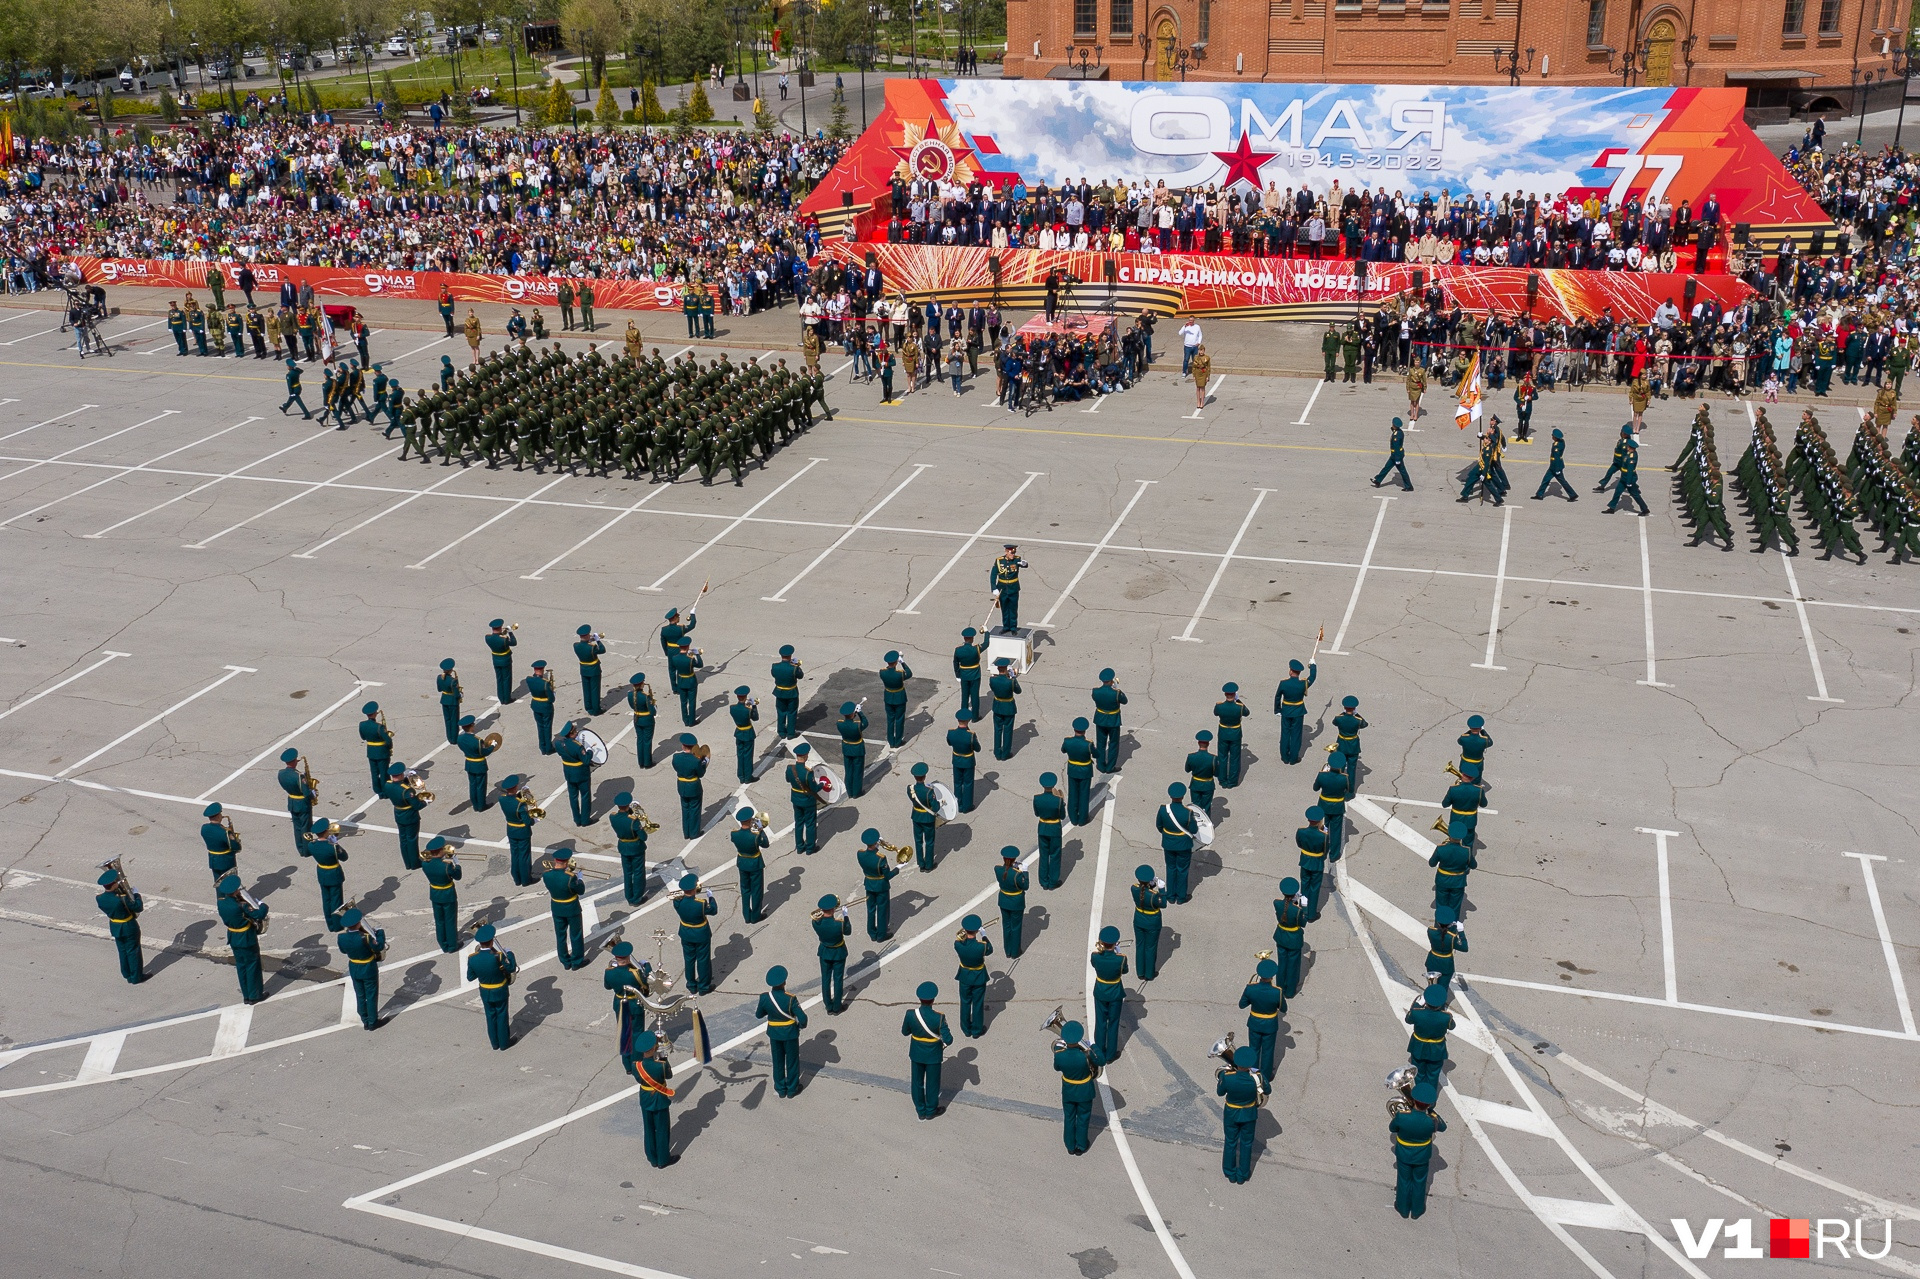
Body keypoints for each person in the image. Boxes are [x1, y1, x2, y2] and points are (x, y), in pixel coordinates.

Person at [1392, 1080, 1447, 1217]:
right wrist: (1431, 1111)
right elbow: (1443, 1127)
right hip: (1422, 1155)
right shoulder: (1432, 1120)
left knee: (1403, 1180)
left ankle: (1403, 1209)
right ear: (1429, 1104)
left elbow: (1392, 1128)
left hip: (1404, 1153)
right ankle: (1417, 1211)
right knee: (1419, 1181)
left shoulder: (1402, 1116)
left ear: (1414, 1099)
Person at [902, 981, 953, 1119]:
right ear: (933, 999)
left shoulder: (910, 1014)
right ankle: (930, 1111)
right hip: (933, 1055)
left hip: (916, 1053)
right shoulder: (939, 1017)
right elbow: (949, 1039)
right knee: (932, 1083)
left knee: (917, 1082)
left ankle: (920, 1110)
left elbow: (905, 1032)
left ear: (919, 998)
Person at [1053, 1021, 1104, 1155]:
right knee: (1083, 1117)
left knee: (1069, 1117)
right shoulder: (1087, 1054)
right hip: (1085, 1090)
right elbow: (1102, 1061)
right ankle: (1081, 1145)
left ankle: (1070, 1145)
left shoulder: (1059, 1054)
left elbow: (1057, 1068)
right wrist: (1093, 1046)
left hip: (1068, 1090)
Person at [1217, 1044, 1266, 1184]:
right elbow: (1267, 1089)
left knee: (1230, 1142)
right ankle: (1243, 1174)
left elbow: (1220, 1092)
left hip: (1231, 1113)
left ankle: (1230, 1173)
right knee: (1246, 1143)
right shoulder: (1257, 1077)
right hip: (1249, 1113)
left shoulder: (1227, 1077)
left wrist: (1222, 1076)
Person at [757, 967, 809, 1097]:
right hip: (790, 1034)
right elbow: (803, 1018)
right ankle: (792, 1089)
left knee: (778, 1061)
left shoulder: (764, 998)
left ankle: (780, 1089)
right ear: (784, 982)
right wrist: (801, 1025)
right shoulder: (790, 999)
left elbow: (759, 1015)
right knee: (792, 1062)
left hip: (774, 1034)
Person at [467, 924, 518, 1049]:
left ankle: (495, 1044)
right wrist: (509, 953)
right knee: (501, 1016)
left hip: (485, 991)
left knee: (490, 1017)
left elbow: (470, 977)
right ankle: (504, 1043)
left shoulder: (472, 958)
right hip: (500, 990)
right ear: (491, 942)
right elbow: (511, 968)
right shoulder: (498, 956)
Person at [630, 1029, 676, 1167]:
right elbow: (668, 1076)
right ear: (654, 1047)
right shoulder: (661, 1063)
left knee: (648, 1128)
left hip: (645, 1097)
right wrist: (662, 1054)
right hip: (659, 1098)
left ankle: (652, 1157)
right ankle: (663, 1159)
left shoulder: (636, 1066)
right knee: (662, 1129)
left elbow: (639, 1080)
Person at [337, 907, 386, 1030]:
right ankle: (372, 1022)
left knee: (360, 994)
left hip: (354, 967)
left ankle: (364, 1019)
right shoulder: (366, 938)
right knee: (371, 995)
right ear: (358, 923)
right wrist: (380, 933)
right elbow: (378, 946)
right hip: (368, 967)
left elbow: (343, 951)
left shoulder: (341, 938)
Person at [95, 865, 145, 984]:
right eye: (116, 881)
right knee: (133, 951)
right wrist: (136, 895)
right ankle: (136, 977)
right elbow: (138, 907)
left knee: (122, 951)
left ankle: (127, 974)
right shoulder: (121, 899)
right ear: (113, 884)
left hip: (115, 926)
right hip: (128, 926)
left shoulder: (100, 898)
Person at [673, 873, 718, 994]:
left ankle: (691, 985)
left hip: (686, 933)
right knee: (703, 960)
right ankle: (704, 987)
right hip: (700, 934)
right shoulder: (700, 903)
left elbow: (683, 900)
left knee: (689, 960)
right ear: (694, 889)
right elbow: (713, 910)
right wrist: (711, 898)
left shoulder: (677, 902)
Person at [543, 848, 588, 970]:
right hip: (571, 908)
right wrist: (580, 879)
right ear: (567, 861)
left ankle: (565, 961)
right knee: (576, 935)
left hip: (557, 907)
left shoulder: (546, 874)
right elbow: (581, 891)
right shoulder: (570, 877)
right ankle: (577, 961)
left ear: (555, 860)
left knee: (560, 935)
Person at [1090, 926, 1129, 1059]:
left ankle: (1099, 1052)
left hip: (1101, 991)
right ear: (1115, 943)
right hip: (1115, 993)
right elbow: (1124, 971)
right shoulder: (1121, 959)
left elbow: (1094, 965)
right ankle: (1110, 1054)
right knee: (1113, 1023)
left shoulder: (1095, 956)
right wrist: (1117, 953)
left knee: (1100, 1022)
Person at [1156, 783, 1199, 903]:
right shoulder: (1188, 812)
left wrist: (1168, 835)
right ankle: (1180, 897)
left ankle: (1170, 896)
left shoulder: (1163, 809)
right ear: (1183, 796)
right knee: (1182, 870)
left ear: (1170, 795)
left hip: (1168, 843)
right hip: (1183, 845)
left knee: (1170, 868)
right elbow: (1194, 830)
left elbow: (1159, 826)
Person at [954, 914, 994, 1036]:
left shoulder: (957, 944)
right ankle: (976, 1030)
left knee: (965, 1002)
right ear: (977, 930)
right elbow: (990, 950)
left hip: (964, 976)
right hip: (978, 976)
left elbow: (963, 942)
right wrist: (984, 935)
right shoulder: (982, 946)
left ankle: (966, 1029)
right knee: (978, 1003)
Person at [857, 827, 899, 939]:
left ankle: (871, 932)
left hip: (869, 884)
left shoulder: (860, 854)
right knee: (882, 910)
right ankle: (881, 934)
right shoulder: (881, 858)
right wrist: (898, 868)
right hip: (881, 886)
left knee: (870, 910)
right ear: (876, 843)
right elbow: (888, 875)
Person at [1273, 658, 1316, 765]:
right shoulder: (1303, 684)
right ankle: (1293, 758)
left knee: (1285, 734)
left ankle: (1284, 757)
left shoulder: (1283, 683)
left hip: (1286, 711)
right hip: (1298, 711)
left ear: (1291, 671)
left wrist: (1277, 710)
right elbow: (1313, 677)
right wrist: (1313, 666)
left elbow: (1277, 697)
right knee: (1296, 735)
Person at [1131, 864, 1166, 981]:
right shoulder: (1154, 896)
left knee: (1140, 945)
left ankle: (1140, 972)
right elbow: (1163, 904)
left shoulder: (1134, 888)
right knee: (1150, 947)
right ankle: (1149, 974)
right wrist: (1161, 889)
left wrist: (1150, 886)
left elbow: (1142, 892)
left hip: (1139, 919)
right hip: (1152, 922)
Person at [1090, 669, 1127, 772]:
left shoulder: (1095, 691)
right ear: (1111, 680)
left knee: (1101, 744)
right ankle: (1110, 767)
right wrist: (1116, 689)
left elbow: (1096, 699)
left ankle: (1101, 766)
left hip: (1100, 719)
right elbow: (1125, 701)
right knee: (1113, 744)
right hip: (1113, 720)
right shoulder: (1116, 693)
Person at [1373, 416, 1413, 490]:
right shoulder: (1398, 432)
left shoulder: (1396, 436)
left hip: (1397, 456)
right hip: (1394, 455)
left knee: (1402, 471)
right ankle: (1378, 481)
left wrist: (1397, 459)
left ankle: (1409, 486)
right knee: (1386, 467)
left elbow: (1397, 448)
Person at [1191, 343, 1212, 410]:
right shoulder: (1196, 357)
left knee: (1202, 388)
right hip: (1197, 373)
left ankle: (1202, 402)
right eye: (1200, 350)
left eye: (1202, 350)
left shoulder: (1207, 358)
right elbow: (1194, 367)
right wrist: (1194, 375)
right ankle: (1198, 402)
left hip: (1203, 373)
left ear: (1204, 351)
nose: (1201, 352)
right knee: (1198, 388)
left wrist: (1208, 376)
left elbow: (1208, 367)